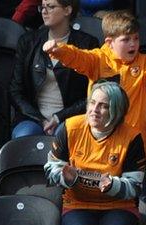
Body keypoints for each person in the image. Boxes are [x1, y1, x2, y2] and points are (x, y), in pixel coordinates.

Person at [44, 10, 146, 208]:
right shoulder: (98, 59)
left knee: (143, 208)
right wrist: (58, 50)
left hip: (134, 150)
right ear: (110, 42)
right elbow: (77, 57)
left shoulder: (145, 63)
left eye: (136, 39)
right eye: (126, 39)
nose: (133, 44)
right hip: (99, 151)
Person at [45, 81, 146, 225]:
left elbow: (135, 186)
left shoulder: (132, 137)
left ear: (117, 111)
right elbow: (49, 171)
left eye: (103, 106)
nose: (94, 110)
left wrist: (112, 185)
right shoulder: (69, 128)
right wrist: (65, 178)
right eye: (92, 103)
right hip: (77, 205)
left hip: (118, 206)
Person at [10, 0, 99, 139]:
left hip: (70, 117)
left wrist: (59, 117)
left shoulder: (87, 43)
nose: (44, 11)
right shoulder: (28, 41)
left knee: (65, 136)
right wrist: (41, 120)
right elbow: (15, 90)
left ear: (67, 10)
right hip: (32, 118)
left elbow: (93, 93)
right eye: (42, 7)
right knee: (24, 135)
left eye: (50, 7)